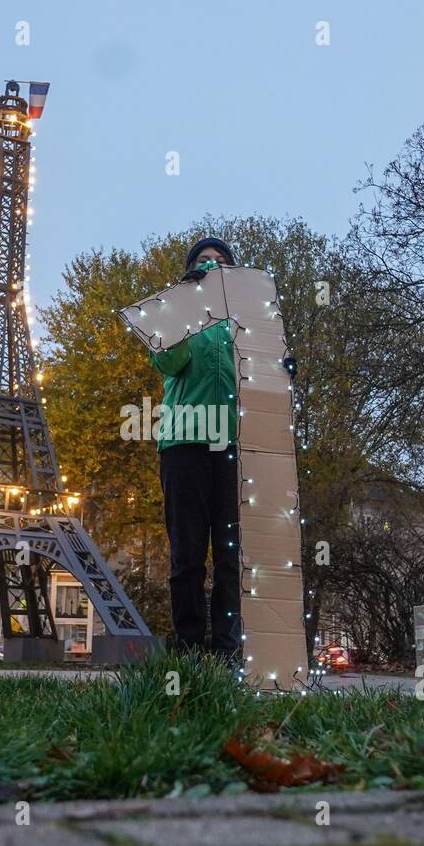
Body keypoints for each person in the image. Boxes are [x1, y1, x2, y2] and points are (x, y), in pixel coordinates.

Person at [151, 237, 243, 660]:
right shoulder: (173, 315)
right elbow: (169, 362)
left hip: (235, 449)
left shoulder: (243, 322)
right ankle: (187, 652)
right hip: (185, 444)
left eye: (220, 262)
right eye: (203, 261)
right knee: (187, 554)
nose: (211, 266)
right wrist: (184, 305)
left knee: (230, 558)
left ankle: (226, 653)